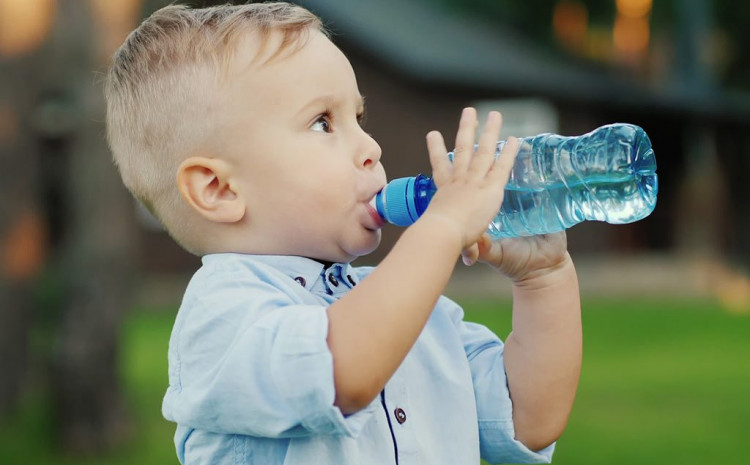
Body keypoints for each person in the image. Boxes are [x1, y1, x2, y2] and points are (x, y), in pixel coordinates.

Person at [104, 3, 581, 464]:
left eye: (360, 118)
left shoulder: (413, 311)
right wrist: (443, 226)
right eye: (323, 122)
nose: (370, 146)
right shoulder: (223, 317)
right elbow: (344, 372)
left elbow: (526, 420)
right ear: (219, 189)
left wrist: (544, 280)